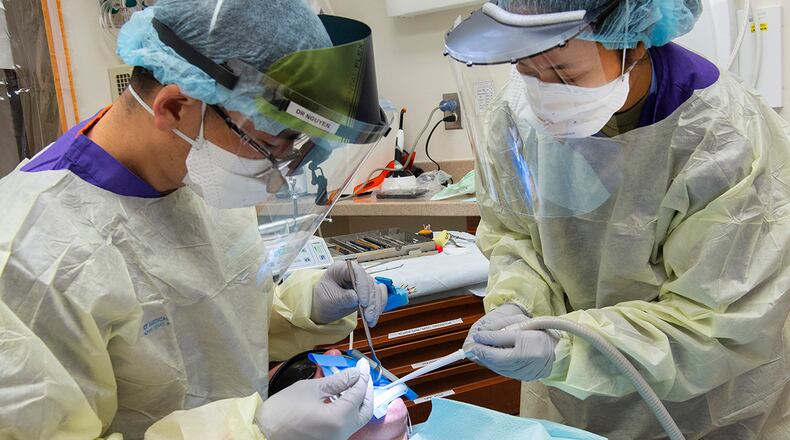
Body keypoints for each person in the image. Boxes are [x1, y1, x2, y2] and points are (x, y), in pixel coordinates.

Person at [0, 0, 392, 438]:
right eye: (266, 143)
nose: (276, 181)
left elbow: (217, 317)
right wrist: (256, 433)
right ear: (172, 106)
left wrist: (305, 306)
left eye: (294, 149)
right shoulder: (31, 257)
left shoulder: (200, 170)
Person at [446, 0, 790, 439]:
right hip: (570, 403)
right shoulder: (518, 120)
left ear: (634, 43)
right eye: (525, 68)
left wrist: (564, 346)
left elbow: (718, 321)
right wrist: (519, 303)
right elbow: (516, 237)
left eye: (566, 75)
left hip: (706, 411)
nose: (542, 93)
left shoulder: (723, 136)